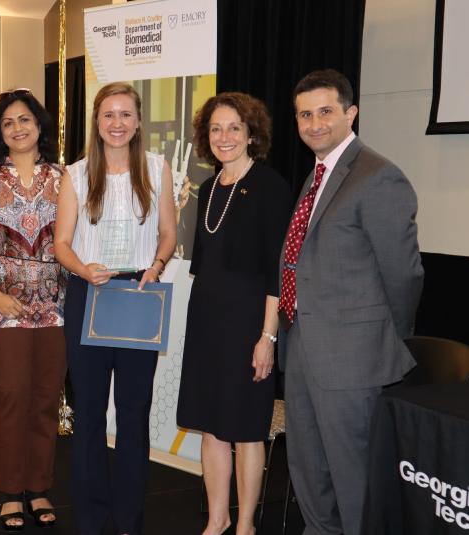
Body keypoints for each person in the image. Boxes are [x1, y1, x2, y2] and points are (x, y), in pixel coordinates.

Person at [278, 69, 423, 535]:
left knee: (353, 475)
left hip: (352, 357)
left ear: (351, 113)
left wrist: (384, 340)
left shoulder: (379, 176)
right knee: (307, 466)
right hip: (302, 345)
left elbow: (403, 273)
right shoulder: (318, 174)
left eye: (325, 111)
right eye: (305, 114)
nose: (314, 123)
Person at [54, 82, 176, 535]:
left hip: (139, 296)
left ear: (138, 121)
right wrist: (83, 270)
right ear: (97, 121)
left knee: (133, 413)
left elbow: (168, 233)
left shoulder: (158, 169)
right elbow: (61, 243)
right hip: (90, 295)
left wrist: (158, 265)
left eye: (126, 114)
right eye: (109, 115)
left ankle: (128, 519)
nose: (117, 123)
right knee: (88, 413)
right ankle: (89, 518)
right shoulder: (76, 174)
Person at [176, 93, 292, 535]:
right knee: (211, 426)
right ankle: (217, 519)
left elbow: (275, 273)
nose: (224, 137)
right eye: (216, 129)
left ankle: (245, 525)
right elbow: (204, 267)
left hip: (249, 326)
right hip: (207, 324)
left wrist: (268, 337)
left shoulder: (270, 186)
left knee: (246, 430)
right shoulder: (207, 189)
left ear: (251, 134)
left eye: (234, 128)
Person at [0, 89, 67, 532]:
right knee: (12, 397)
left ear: (39, 125)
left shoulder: (66, 178)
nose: (18, 128)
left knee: (45, 399)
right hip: (3, 306)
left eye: (25, 120)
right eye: (8, 123)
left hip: (56, 305)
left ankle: (39, 487)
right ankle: (9, 491)